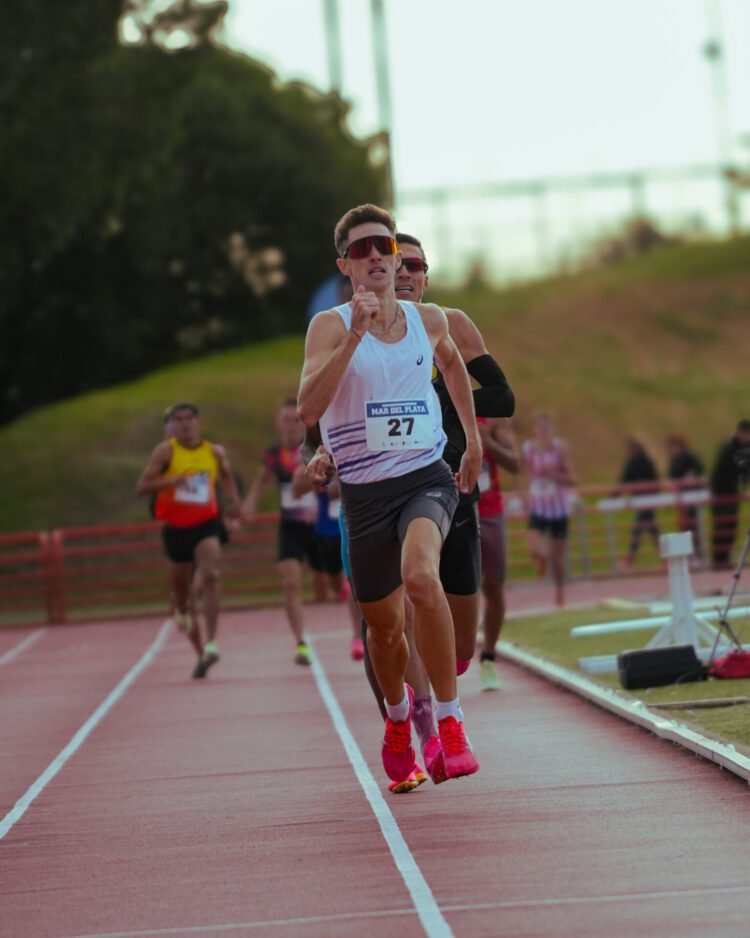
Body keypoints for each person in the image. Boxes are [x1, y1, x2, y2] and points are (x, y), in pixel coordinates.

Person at [298, 203, 483, 787]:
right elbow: (308, 407)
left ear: (396, 256)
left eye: (383, 246)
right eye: (361, 250)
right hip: (364, 494)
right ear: (345, 266)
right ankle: (400, 719)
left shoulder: (427, 320)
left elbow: (452, 364)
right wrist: (354, 335)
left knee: (423, 578)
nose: (375, 256)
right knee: (382, 631)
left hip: (424, 477)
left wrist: (472, 440)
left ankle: (451, 724)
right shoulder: (328, 326)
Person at [136, 402, 241, 679]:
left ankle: (212, 642)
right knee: (182, 599)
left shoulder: (214, 452)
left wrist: (234, 503)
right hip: (176, 530)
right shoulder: (166, 451)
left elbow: (228, 478)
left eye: (189, 419)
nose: (185, 424)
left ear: (198, 422)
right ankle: (199, 652)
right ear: (172, 425)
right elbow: (142, 487)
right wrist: (171, 481)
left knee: (210, 575)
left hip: (206, 525)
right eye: (179, 419)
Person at [241, 398, 321, 666]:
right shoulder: (274, 454)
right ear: (278, 423)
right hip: (291, 527)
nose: (290, 426)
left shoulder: (315, 449)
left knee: (333, 584)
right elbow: (263, 477)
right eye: (285, 420)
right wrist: (250, 503)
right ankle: (301, 643)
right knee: (290, 582)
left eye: (295, 420)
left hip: (321, 526)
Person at [476, 416, 520, 690]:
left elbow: (515, 463)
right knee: (447, 588)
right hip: (449, 508)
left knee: (493, 586)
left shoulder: (493, 417)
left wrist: (488, 441)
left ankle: (489, 656)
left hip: (489, 511)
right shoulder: (436, 404)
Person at [521, 412, 576, 607]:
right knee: (534, 547)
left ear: (552, 430)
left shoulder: (559, 449)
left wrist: (554, 474)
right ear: (535, 430)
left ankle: (560, 594)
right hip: (538, 506)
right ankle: (541, 558)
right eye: (539, 428)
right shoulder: (528, 449)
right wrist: (523, 496)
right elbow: (520, 474)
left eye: (547, 428)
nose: (543, 432)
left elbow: (572, 478)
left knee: (556, 557)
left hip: (559, 508)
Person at [709, 419, 750, 569]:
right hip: (722, 495)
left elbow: (744, 470)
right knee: (722, 529)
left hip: (732, 496)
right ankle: (719, 562)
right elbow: (723, 473)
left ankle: (723, 561)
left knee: (731, 529)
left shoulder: (742, 448)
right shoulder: (729, 448)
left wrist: (743, 487)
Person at [618, 436, 660, 568]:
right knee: (651, 529)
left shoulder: (639, 461)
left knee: (640, 528)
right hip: (645, 499)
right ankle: (666, 556)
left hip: (645, 499)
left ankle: (629, 558)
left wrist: (615, 494)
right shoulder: (644, 461)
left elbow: (625, 479)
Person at [665, 434, 705, 560]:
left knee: (693, 525)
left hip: (692, 497)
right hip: (681, 498)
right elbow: (672, 477)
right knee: (685, 526)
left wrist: (690, 476)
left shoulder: (688, 457)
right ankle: (690, 554)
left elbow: (699, 469)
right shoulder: (674, 460)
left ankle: (698, 554)